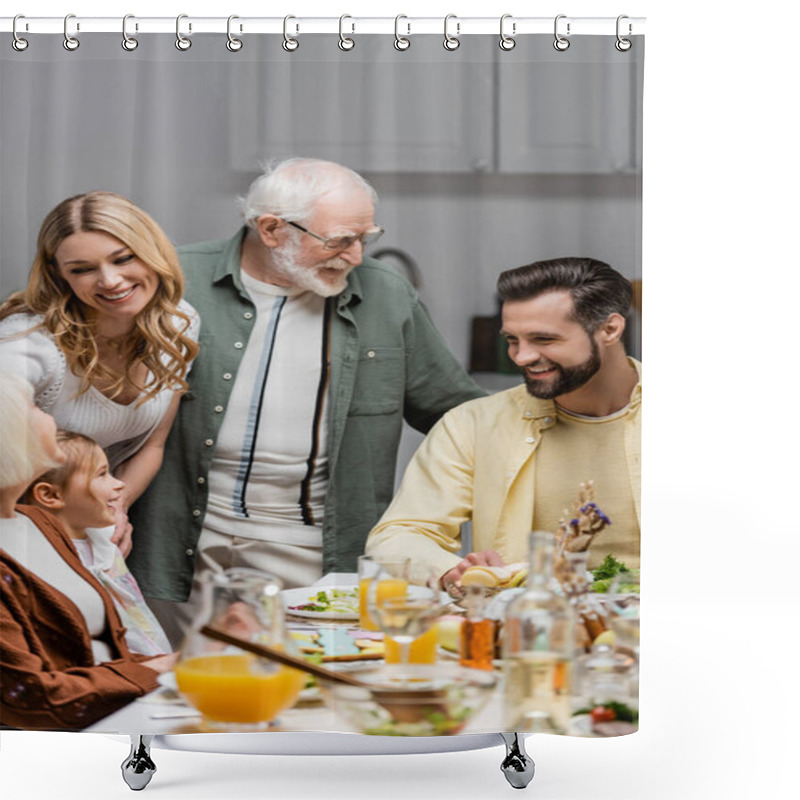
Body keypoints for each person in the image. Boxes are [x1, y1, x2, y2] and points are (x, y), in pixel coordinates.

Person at [127, 157, 485, 641]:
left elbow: (458, 414)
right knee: (183, 693)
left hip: (313, 547)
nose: (357, 256)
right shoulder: (173, 279)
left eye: (366, 238)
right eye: (339, 241)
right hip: (180, 538)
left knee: (304, 692)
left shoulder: (386, 295)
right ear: (272, 229)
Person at [366, 257, 641, 587]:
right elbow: (399, 534)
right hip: (525, 627)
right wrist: (451, 569)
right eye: (512, 340)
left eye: (544, 339)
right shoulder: (471, 424)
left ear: (610, 329)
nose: (522, 357)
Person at [0, 191, 200, 556]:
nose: (110, 280)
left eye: (122, 259)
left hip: (87, 528)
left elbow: (153, 444)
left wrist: (114, 510)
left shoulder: (176, 323)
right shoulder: (30, 343)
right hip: (18, 534)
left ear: (152, 252)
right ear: (60, 277)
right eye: (82, 269)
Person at [0, 372, 176, 731]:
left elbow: (96, 643)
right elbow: (35, 697)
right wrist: (154, 670)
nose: (50, 415)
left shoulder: (37, 523)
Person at [26, 431, 172, 657]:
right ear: (50, 495)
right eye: (102, 474)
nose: (120, 485)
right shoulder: (39, 561)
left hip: (150, 664)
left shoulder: (104, 541)